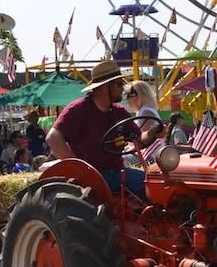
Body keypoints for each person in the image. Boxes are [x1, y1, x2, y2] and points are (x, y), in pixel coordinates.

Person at [46, 61, 163, 198]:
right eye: (119, 84)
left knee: (158, 181)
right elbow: (53, 138)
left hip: (117, 171)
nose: (123, 89)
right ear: (104, 88)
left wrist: (153, 132)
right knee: (147, 183)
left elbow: (139, 140)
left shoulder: (119, 112)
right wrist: (78, 168)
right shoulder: (78, 109)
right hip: (94, 175)